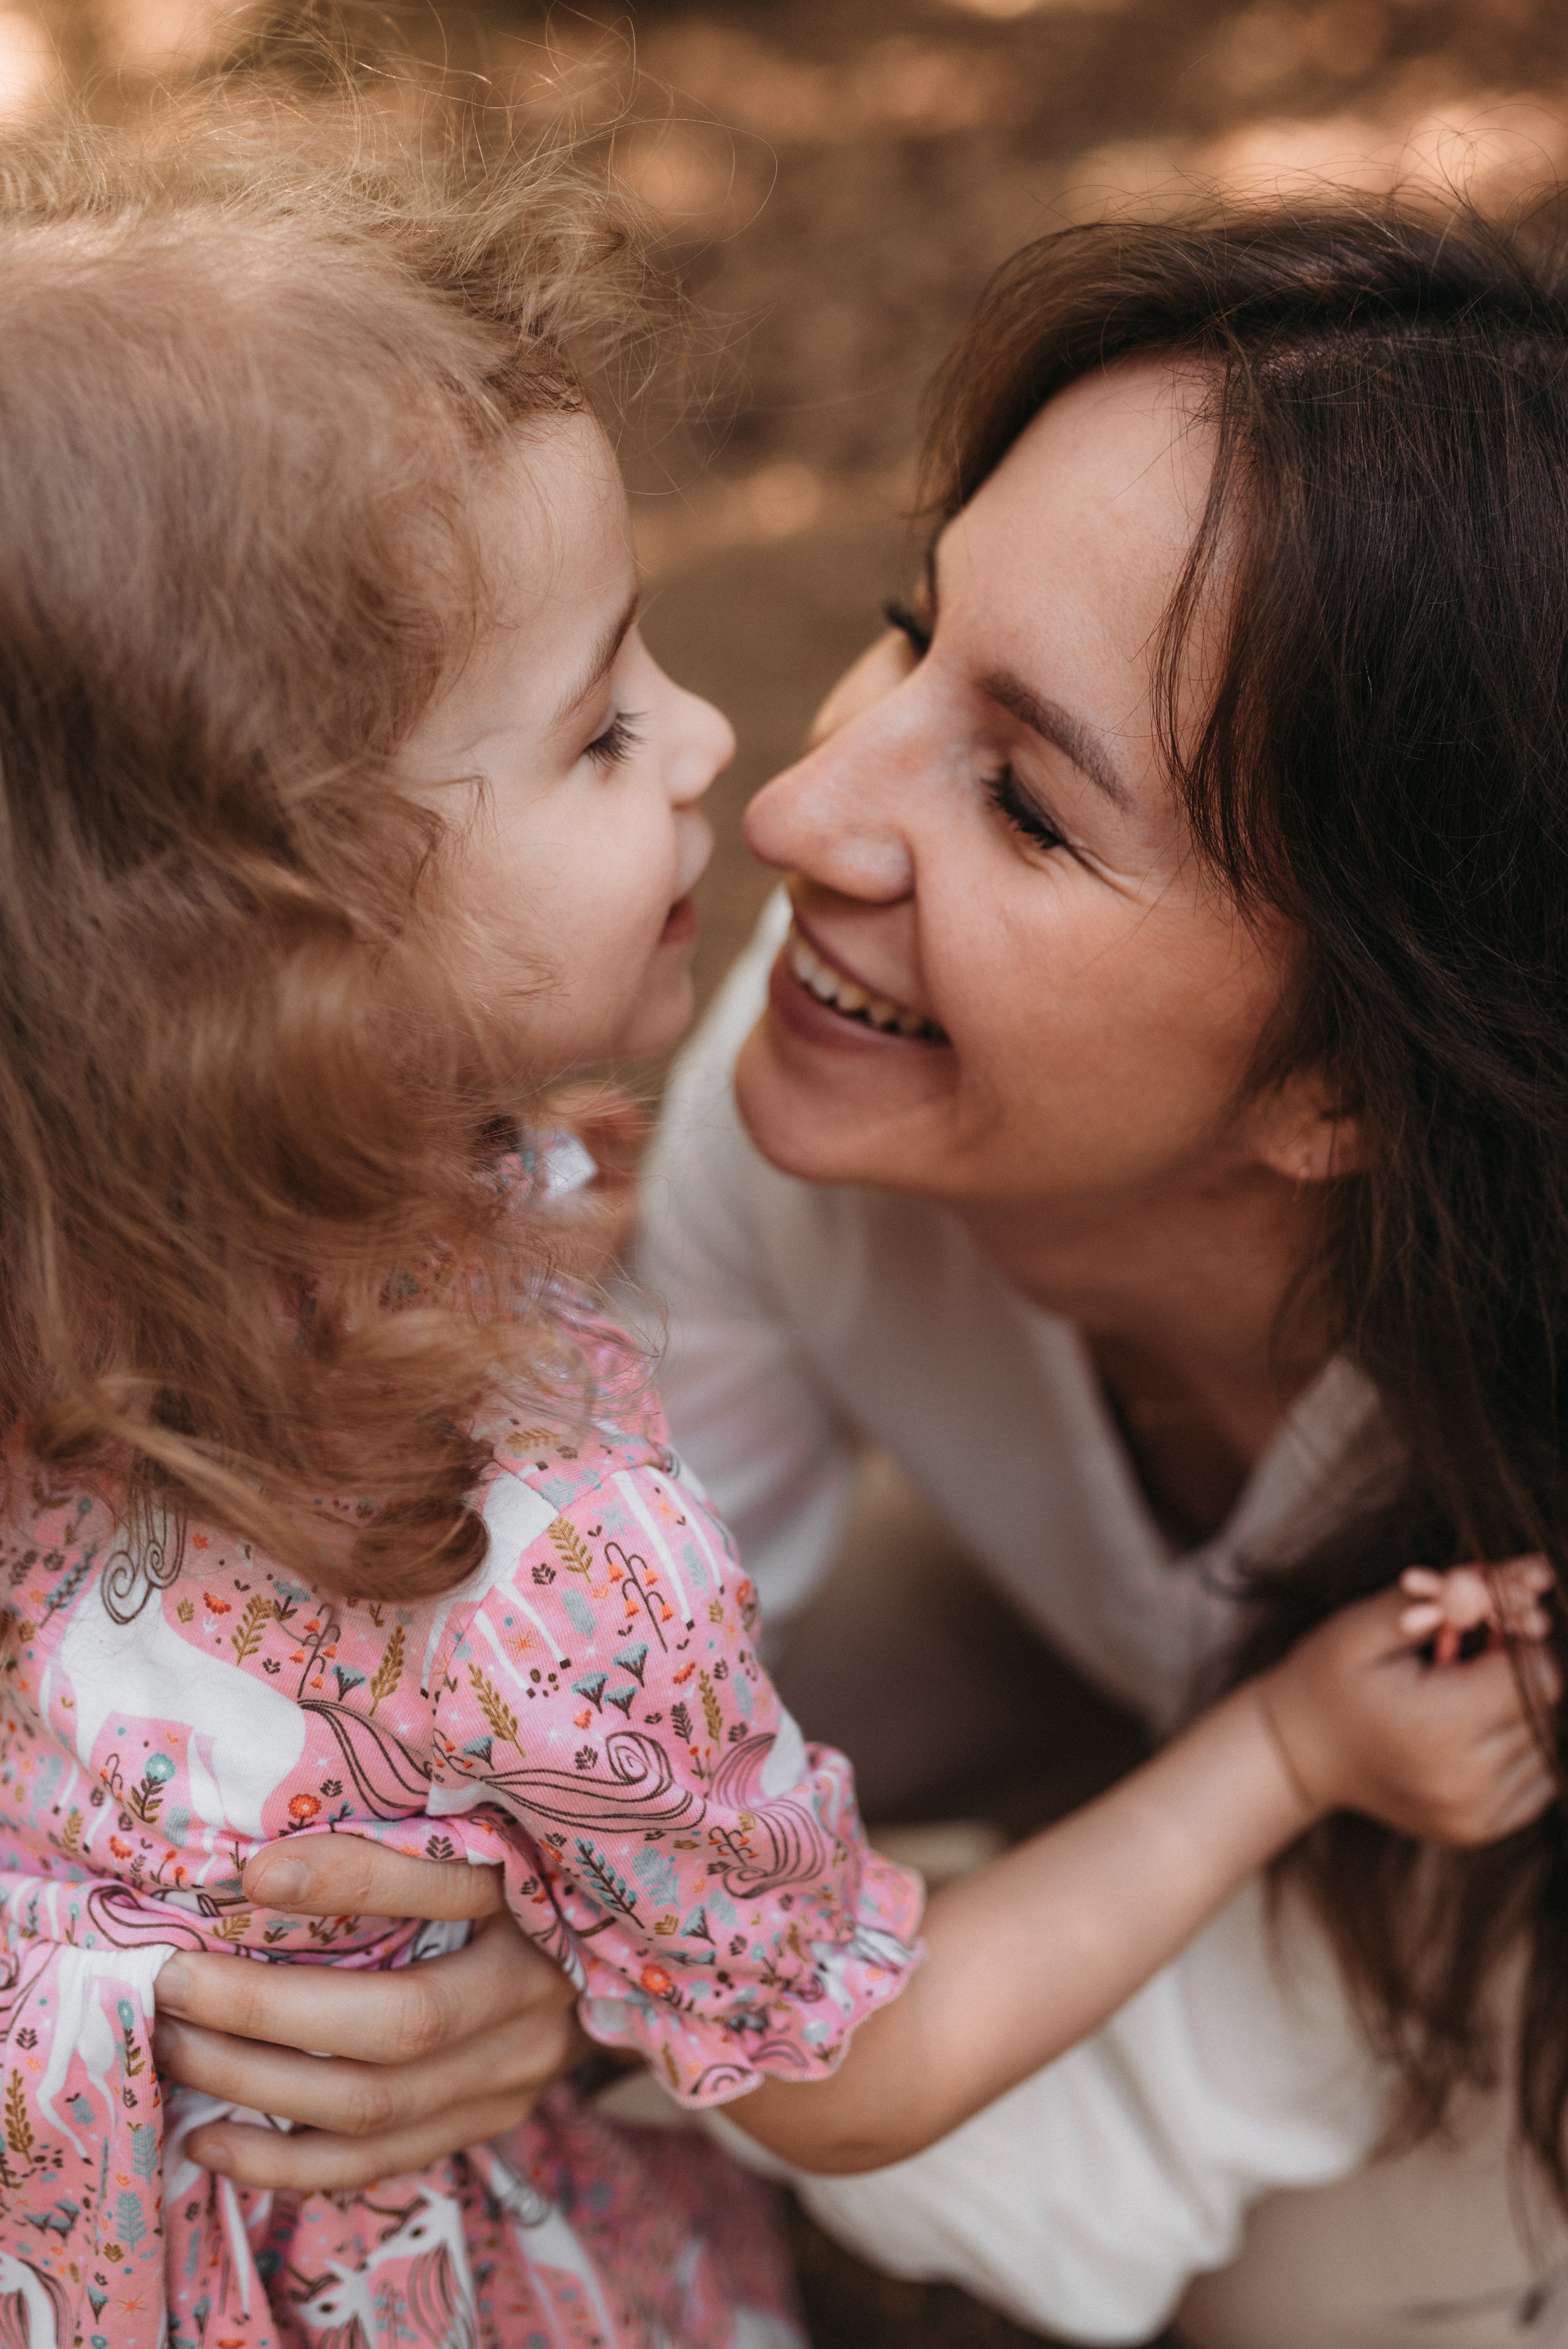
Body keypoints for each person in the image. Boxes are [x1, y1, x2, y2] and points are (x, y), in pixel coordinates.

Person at [0, 93, 1542, 2349]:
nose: (805, 801)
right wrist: (617, 1954)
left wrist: (646, 1982)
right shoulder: (639, 1325)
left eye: (1022, 797)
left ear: (1347, 1081)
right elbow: (717, 1843)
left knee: (1324, 2290)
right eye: (907, 632)